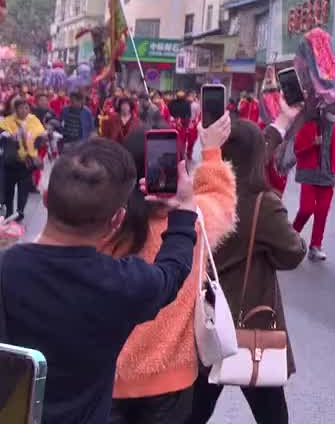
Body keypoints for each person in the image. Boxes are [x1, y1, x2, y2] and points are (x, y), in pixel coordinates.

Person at [0, 138, 198, 424]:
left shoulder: (8, 268)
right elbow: (173, 272)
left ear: (45, 199)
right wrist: (184, 211)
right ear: (116, 219)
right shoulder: (124, 284)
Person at [106, 115, 235, 422]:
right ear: (178, 168)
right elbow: (221, 197)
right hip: (172, 380)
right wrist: (212, 150)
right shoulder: (195, 220)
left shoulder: (105, 224)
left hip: (106, 379)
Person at [187, 117, 307, 424]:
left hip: (208, 321)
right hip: (250, 322)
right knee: (272, 415)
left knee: (194, 410)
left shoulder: (202, 195)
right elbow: (292, 252)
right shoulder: (261, 204)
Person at [291, 107, 335, 261]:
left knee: (322, 212)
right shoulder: (309, 126)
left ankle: (316, 246)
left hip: (327, 176)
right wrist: (313, 144)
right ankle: (291, 235)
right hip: (309, 174)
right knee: (307, 208)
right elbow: (297, 150)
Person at [0, 95, 45, 221]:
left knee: (23, 188)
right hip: (11, 162)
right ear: (15, 109)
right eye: (21, 108)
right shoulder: (7, 121)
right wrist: (8, 136)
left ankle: (20, 211)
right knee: (9, 189)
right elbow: (2, 132)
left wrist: (43, 137)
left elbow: (41, 133)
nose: (24, 111)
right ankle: (8, 212)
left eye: (26, 108)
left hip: (27, 162)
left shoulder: (33, 119)